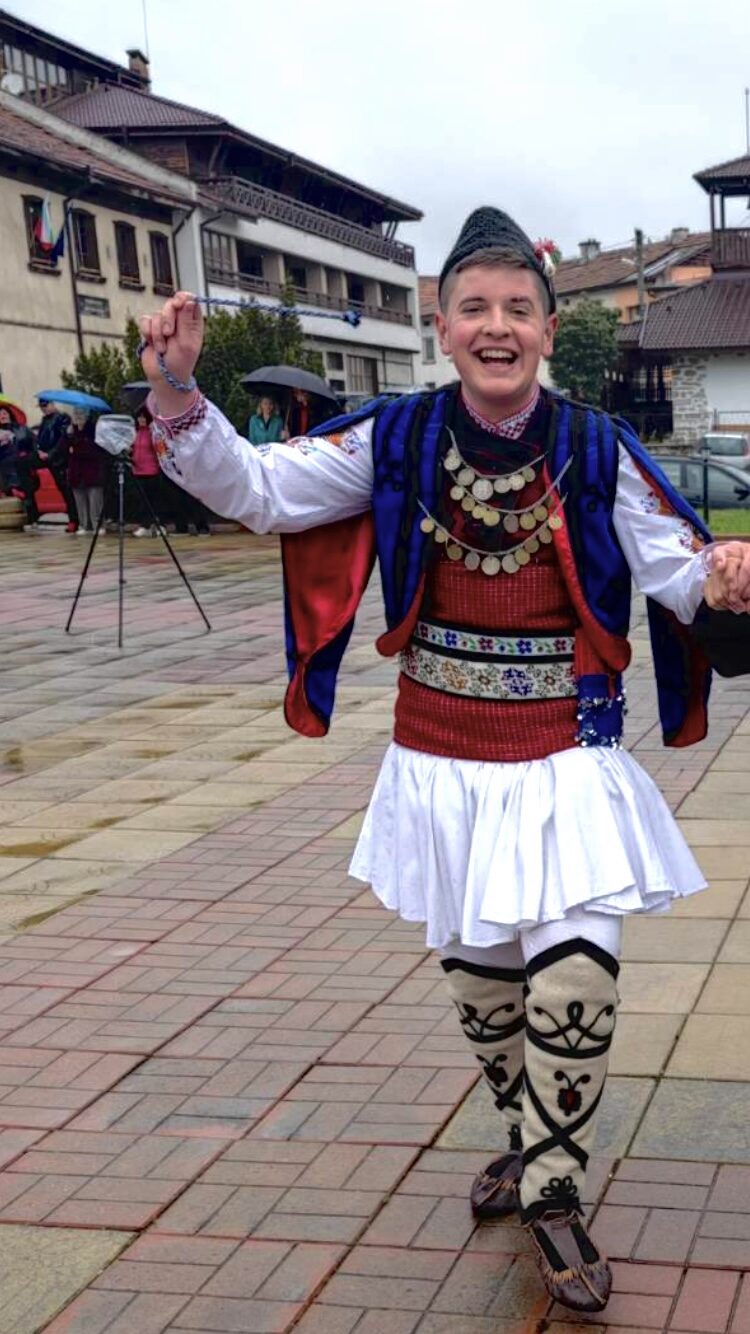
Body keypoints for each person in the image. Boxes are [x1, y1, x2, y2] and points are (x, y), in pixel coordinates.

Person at [138, 207, 750, 1316]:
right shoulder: (397, 437)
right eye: (475, 307)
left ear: (549, 328)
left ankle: (555, 1188)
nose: (497, 325)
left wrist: (720, 577)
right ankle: (525, 1132)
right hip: (440, 759)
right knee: (485, 986)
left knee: (576, 972)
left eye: (519, 307)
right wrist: (178, 393)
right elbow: (263, 490)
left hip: (567, 757)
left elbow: (676, 568)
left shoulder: (595, 447)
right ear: (443, 326)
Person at [35, 398, 77, 532]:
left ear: (52, 404)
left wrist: (50, 454)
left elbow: (62, 440)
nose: (44, 409)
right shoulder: (45, 420)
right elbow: (40, 439)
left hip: (61, 460)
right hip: (50, 459)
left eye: (45, 405)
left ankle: (74, 519)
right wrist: (39, 451)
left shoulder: (62, 418)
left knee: (67, 490)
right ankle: (73, 518)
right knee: (63, 489)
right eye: (41, 406)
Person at [0, 405, 39, 528]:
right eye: (0, 414)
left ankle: (32, 519)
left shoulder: (22, 429)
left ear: (10, 415)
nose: (2, 416)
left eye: (4, 413)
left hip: (22, 465)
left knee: (28, 493)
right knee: (10, 495)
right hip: (5, 469)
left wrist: (28, 455)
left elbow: (33, 445)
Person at [67, 409, 105, 534]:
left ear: (87, 416)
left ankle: (98, 526)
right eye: (76, 414)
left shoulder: (93, 431)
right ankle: (84, 525)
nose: (78, 417)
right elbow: (64, 448)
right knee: (80, 501)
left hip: (92, 472)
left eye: (81, 414)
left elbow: (94, 450)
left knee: (95, 501)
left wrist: (76, 449)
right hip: (76, 472)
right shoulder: (71, 432)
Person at [130, 407, 162, 537]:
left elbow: (160, 450)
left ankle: (154, 524)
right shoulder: (135, 433)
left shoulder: (153, 432)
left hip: (151, 471)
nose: (141, 419)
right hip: (138, 471)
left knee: (152, 501)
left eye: (143, 417)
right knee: (141, 501)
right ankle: (145, 525)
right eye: (139, 417)